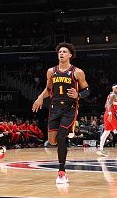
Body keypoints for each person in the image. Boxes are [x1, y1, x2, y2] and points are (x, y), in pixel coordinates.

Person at [33, 42, 89, 184]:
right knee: (52, 141)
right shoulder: (51, 71)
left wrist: (78, 95)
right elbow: (48, 89)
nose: (61, 53)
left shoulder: (77, 72)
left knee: (61, 137)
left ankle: (62, 172)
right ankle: (65, 141)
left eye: (64, 51)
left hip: (70, 109)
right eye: (60, 52)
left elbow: (87, 90)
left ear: (70, 55)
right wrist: (40, 98)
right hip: (55, 108)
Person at [98, 84, 117, 157]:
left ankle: (100, 149)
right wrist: (110, 113)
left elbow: (106, 105)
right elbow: (108, 104)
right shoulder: (113, 95)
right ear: (113, 88)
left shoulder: (111, 95)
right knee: (109, 131)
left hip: (108, 114)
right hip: (110, 114)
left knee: (106, 132)